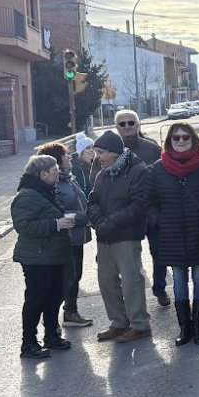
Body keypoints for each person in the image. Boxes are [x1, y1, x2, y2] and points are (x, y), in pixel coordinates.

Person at [150, 122, 199, 346]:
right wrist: (158, 221)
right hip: (171, 234)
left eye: (185, 137)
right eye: (176, 137)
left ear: (193, 139)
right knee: (178, 279)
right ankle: (184, 328)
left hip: (198, 232)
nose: (180, 141)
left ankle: (198, 327)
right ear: (169, 140)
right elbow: (150, 202)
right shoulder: (158, 168)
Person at [87, 130, 153, 343]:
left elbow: (138, 205)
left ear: (113, 152)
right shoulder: (101, 173)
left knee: (131, 281)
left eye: (100, 152)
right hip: (105, 236)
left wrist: (110, 224)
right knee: (107, 281)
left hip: (126, 235)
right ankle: (119, 322)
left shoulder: (138, 171)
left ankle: (139, 324)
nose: (97, 157)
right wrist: (99, 222)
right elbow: (93, 201)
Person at [11, 154, 76, 359]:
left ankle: (51, 336)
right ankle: (28, 343)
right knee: (36, 299)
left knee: (54, 296)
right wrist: (56, 224)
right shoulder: (28, 195)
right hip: (37, 258)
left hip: (53, 255)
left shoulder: (46, 190)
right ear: (43, 173)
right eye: (54, 169)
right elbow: (23, 226)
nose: (58, 171)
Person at [34, 142, 92, 327]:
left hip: (76, 237)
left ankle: (70, 312)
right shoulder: (54, 184)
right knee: (65, 279)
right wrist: (84, 217)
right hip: (65, 239)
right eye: (66, 155)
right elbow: (58, 213)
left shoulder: (67, 178)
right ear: (57, 161)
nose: (70, 157)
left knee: (75, 276)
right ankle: (52, 321)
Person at [114, 109, 167, 306]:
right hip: (126, 213)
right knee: (130, 258)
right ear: (116, 127)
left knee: (159, 252)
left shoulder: (152, 148)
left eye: (131, 123)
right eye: (123, 124)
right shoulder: (111, 149)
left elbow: (164, 174)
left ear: (138, 125)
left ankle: (160, 288)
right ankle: (134, 298)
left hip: (151, 209)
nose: (127, 127)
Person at [71, 133, 96, 198]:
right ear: (81, 152)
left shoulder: (96, 164)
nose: (92, 150)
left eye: (93, 147)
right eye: (88, 148)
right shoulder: (75, 167)